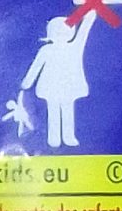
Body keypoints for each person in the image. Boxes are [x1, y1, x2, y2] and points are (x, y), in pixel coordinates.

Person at [19, 10, 99, 148]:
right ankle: (54, 137)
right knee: (54, 111)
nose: (61, 34)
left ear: (71, 32)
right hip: (51, 86)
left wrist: (89, 17)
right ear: (50, 33)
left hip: (68, 86)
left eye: (65, 31)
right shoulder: (46, 50)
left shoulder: (75, 47)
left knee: (67, 110)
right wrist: (27, 82)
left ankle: (68, 137)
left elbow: (83, 32)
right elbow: (36, 66)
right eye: (57, 31)